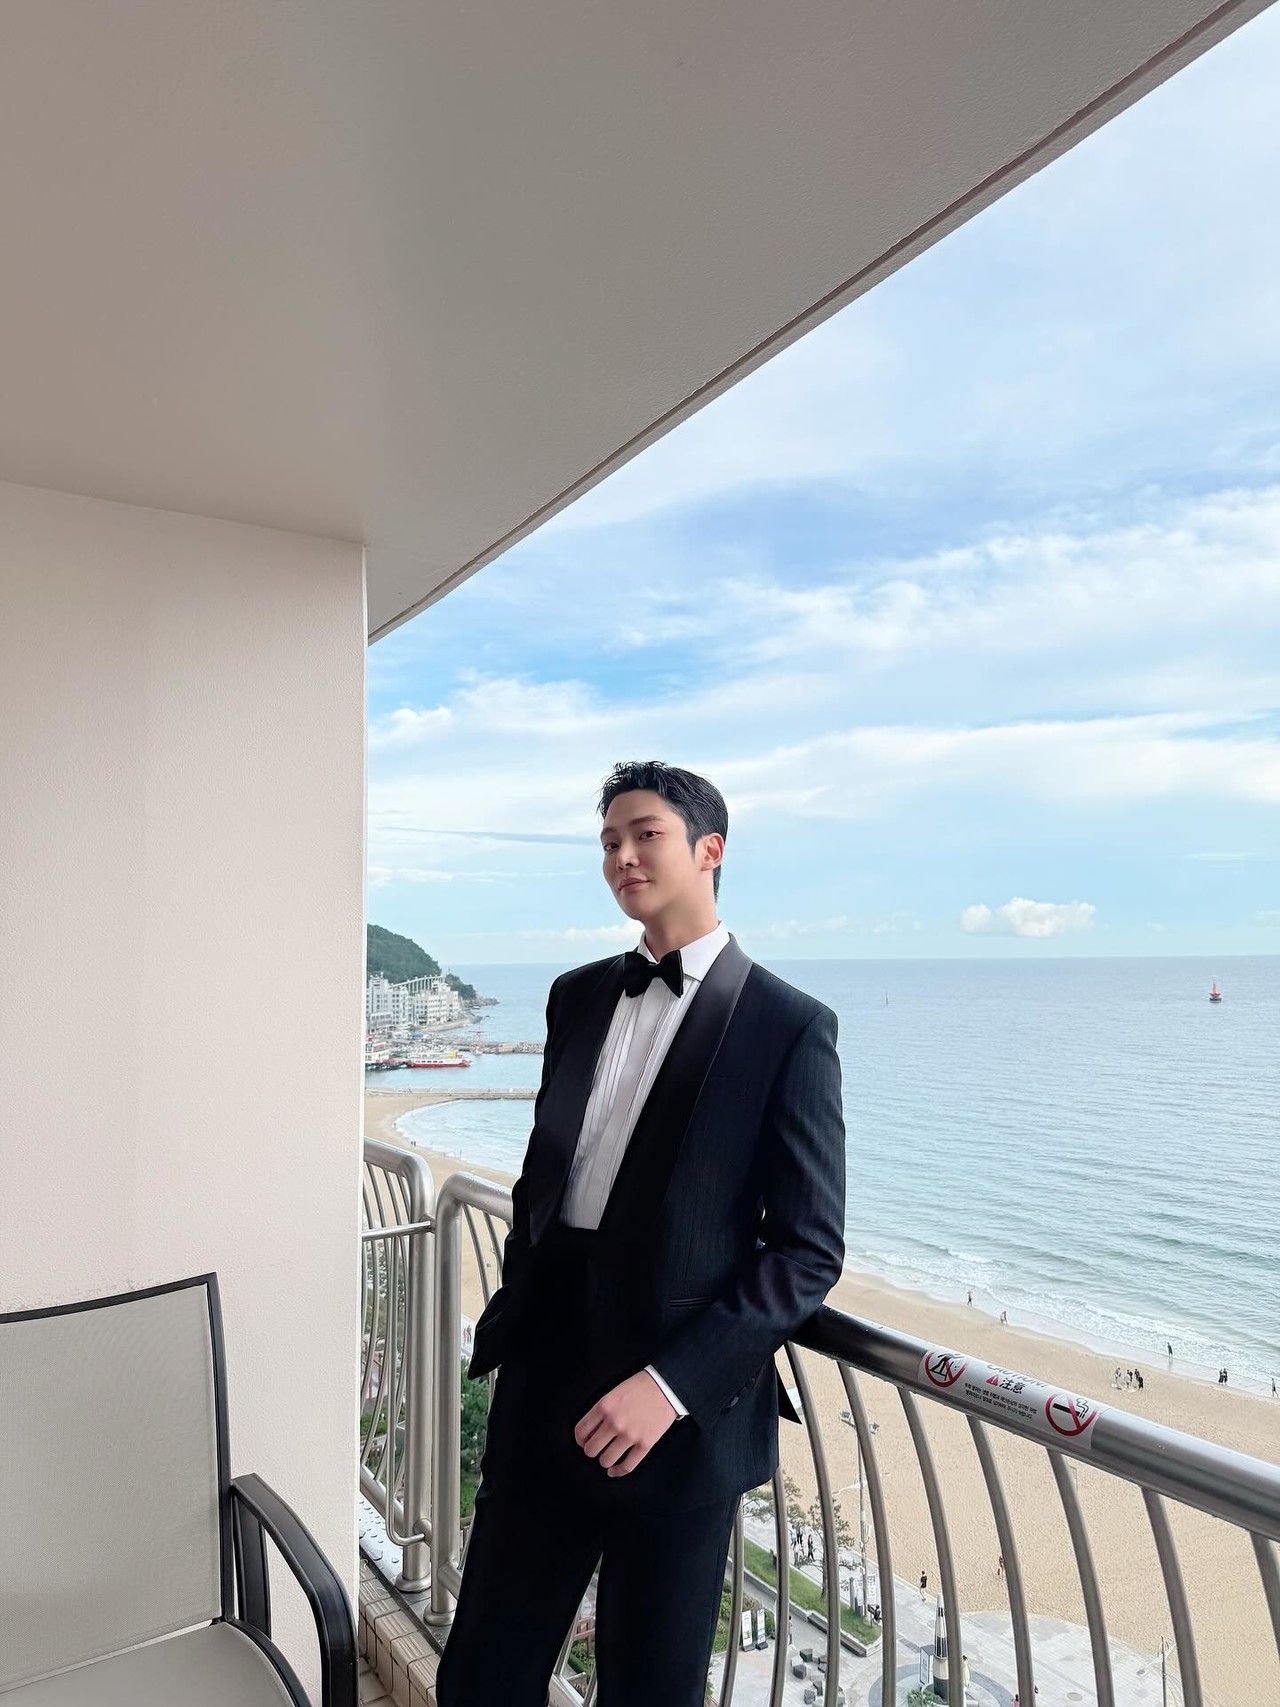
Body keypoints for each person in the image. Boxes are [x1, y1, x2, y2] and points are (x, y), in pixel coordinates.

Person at [436, 761, 847, 1707]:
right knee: (481, 1674)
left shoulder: (789, 1025)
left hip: (675, 1420)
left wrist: (671, 1386)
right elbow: (549, 1180)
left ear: (709, 850)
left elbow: (807, 1249)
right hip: (542, 1389)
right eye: (609, 841)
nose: (623, 855)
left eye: (645, 834)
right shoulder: (576, 995)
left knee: (649, 1689)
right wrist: (520, 1315)